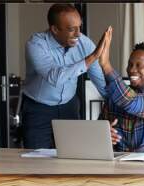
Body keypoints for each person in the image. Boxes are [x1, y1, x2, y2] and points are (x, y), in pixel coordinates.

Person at [21, 4, 107, 149]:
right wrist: (92, 57)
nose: (78, 34)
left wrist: (120, 103)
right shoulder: (36, 44)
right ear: (54, 29)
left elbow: (99, 79)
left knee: (73, 154)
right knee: (37, 159)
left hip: (69, 106)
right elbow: (55, 77)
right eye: (71, 29)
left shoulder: (84, 43)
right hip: (39, 109)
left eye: (80, 27)